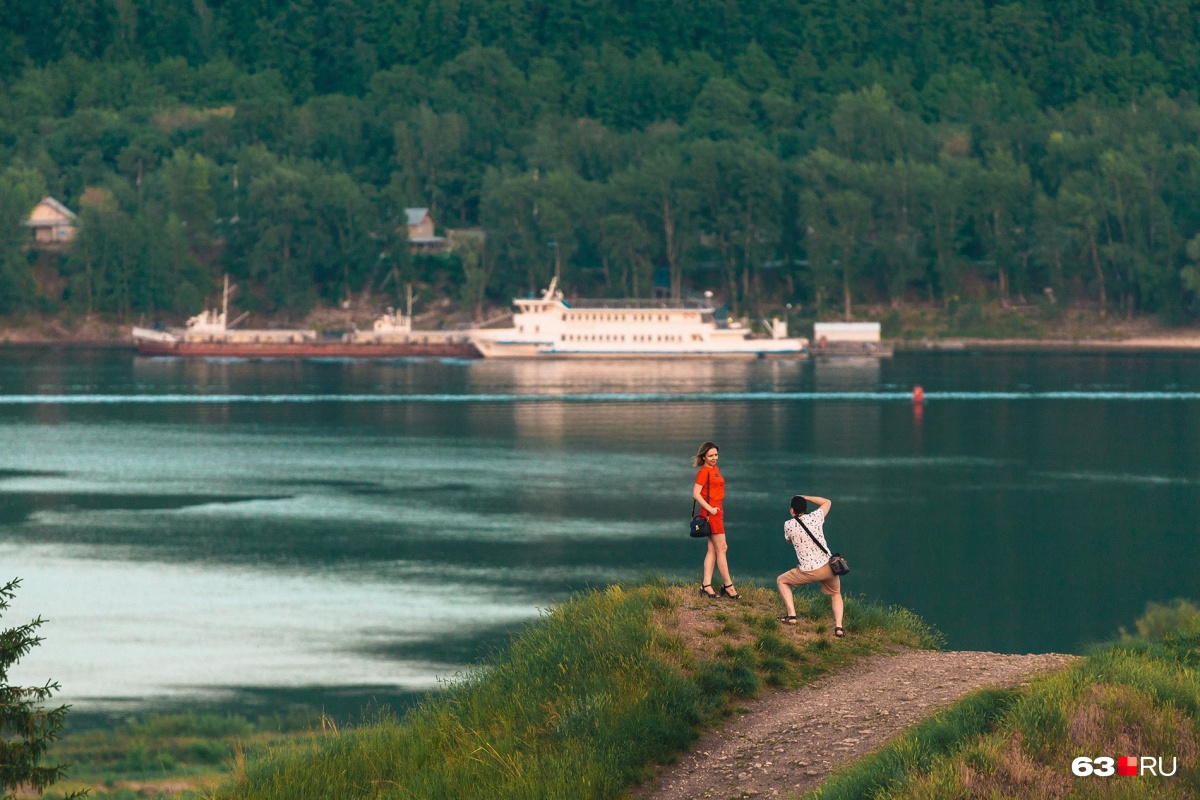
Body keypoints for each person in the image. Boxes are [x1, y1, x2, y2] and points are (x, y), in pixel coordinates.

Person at [776, 493, 844, 636]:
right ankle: (838, 628)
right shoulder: (815, 517)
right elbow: (827, 501)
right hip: (829, 567)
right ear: (805, 507)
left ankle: (792, 616)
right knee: (836, 594)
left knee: (781, 580)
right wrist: (805, 497)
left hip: (808, 571)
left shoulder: (788, 525)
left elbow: (789, 540)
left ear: (792, 510)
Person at [692, 441, 739, 599]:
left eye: (716, 455)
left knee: (713, 549)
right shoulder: (704, 472)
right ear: (704, 456)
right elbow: (696, 494)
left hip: (718, 510)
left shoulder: (715, 469)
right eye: (710, 455)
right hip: (711, 512)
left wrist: (715, 509)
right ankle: (728, 585)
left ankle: (706, 585)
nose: (714, 458)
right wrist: (710, 509)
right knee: (722, 548)